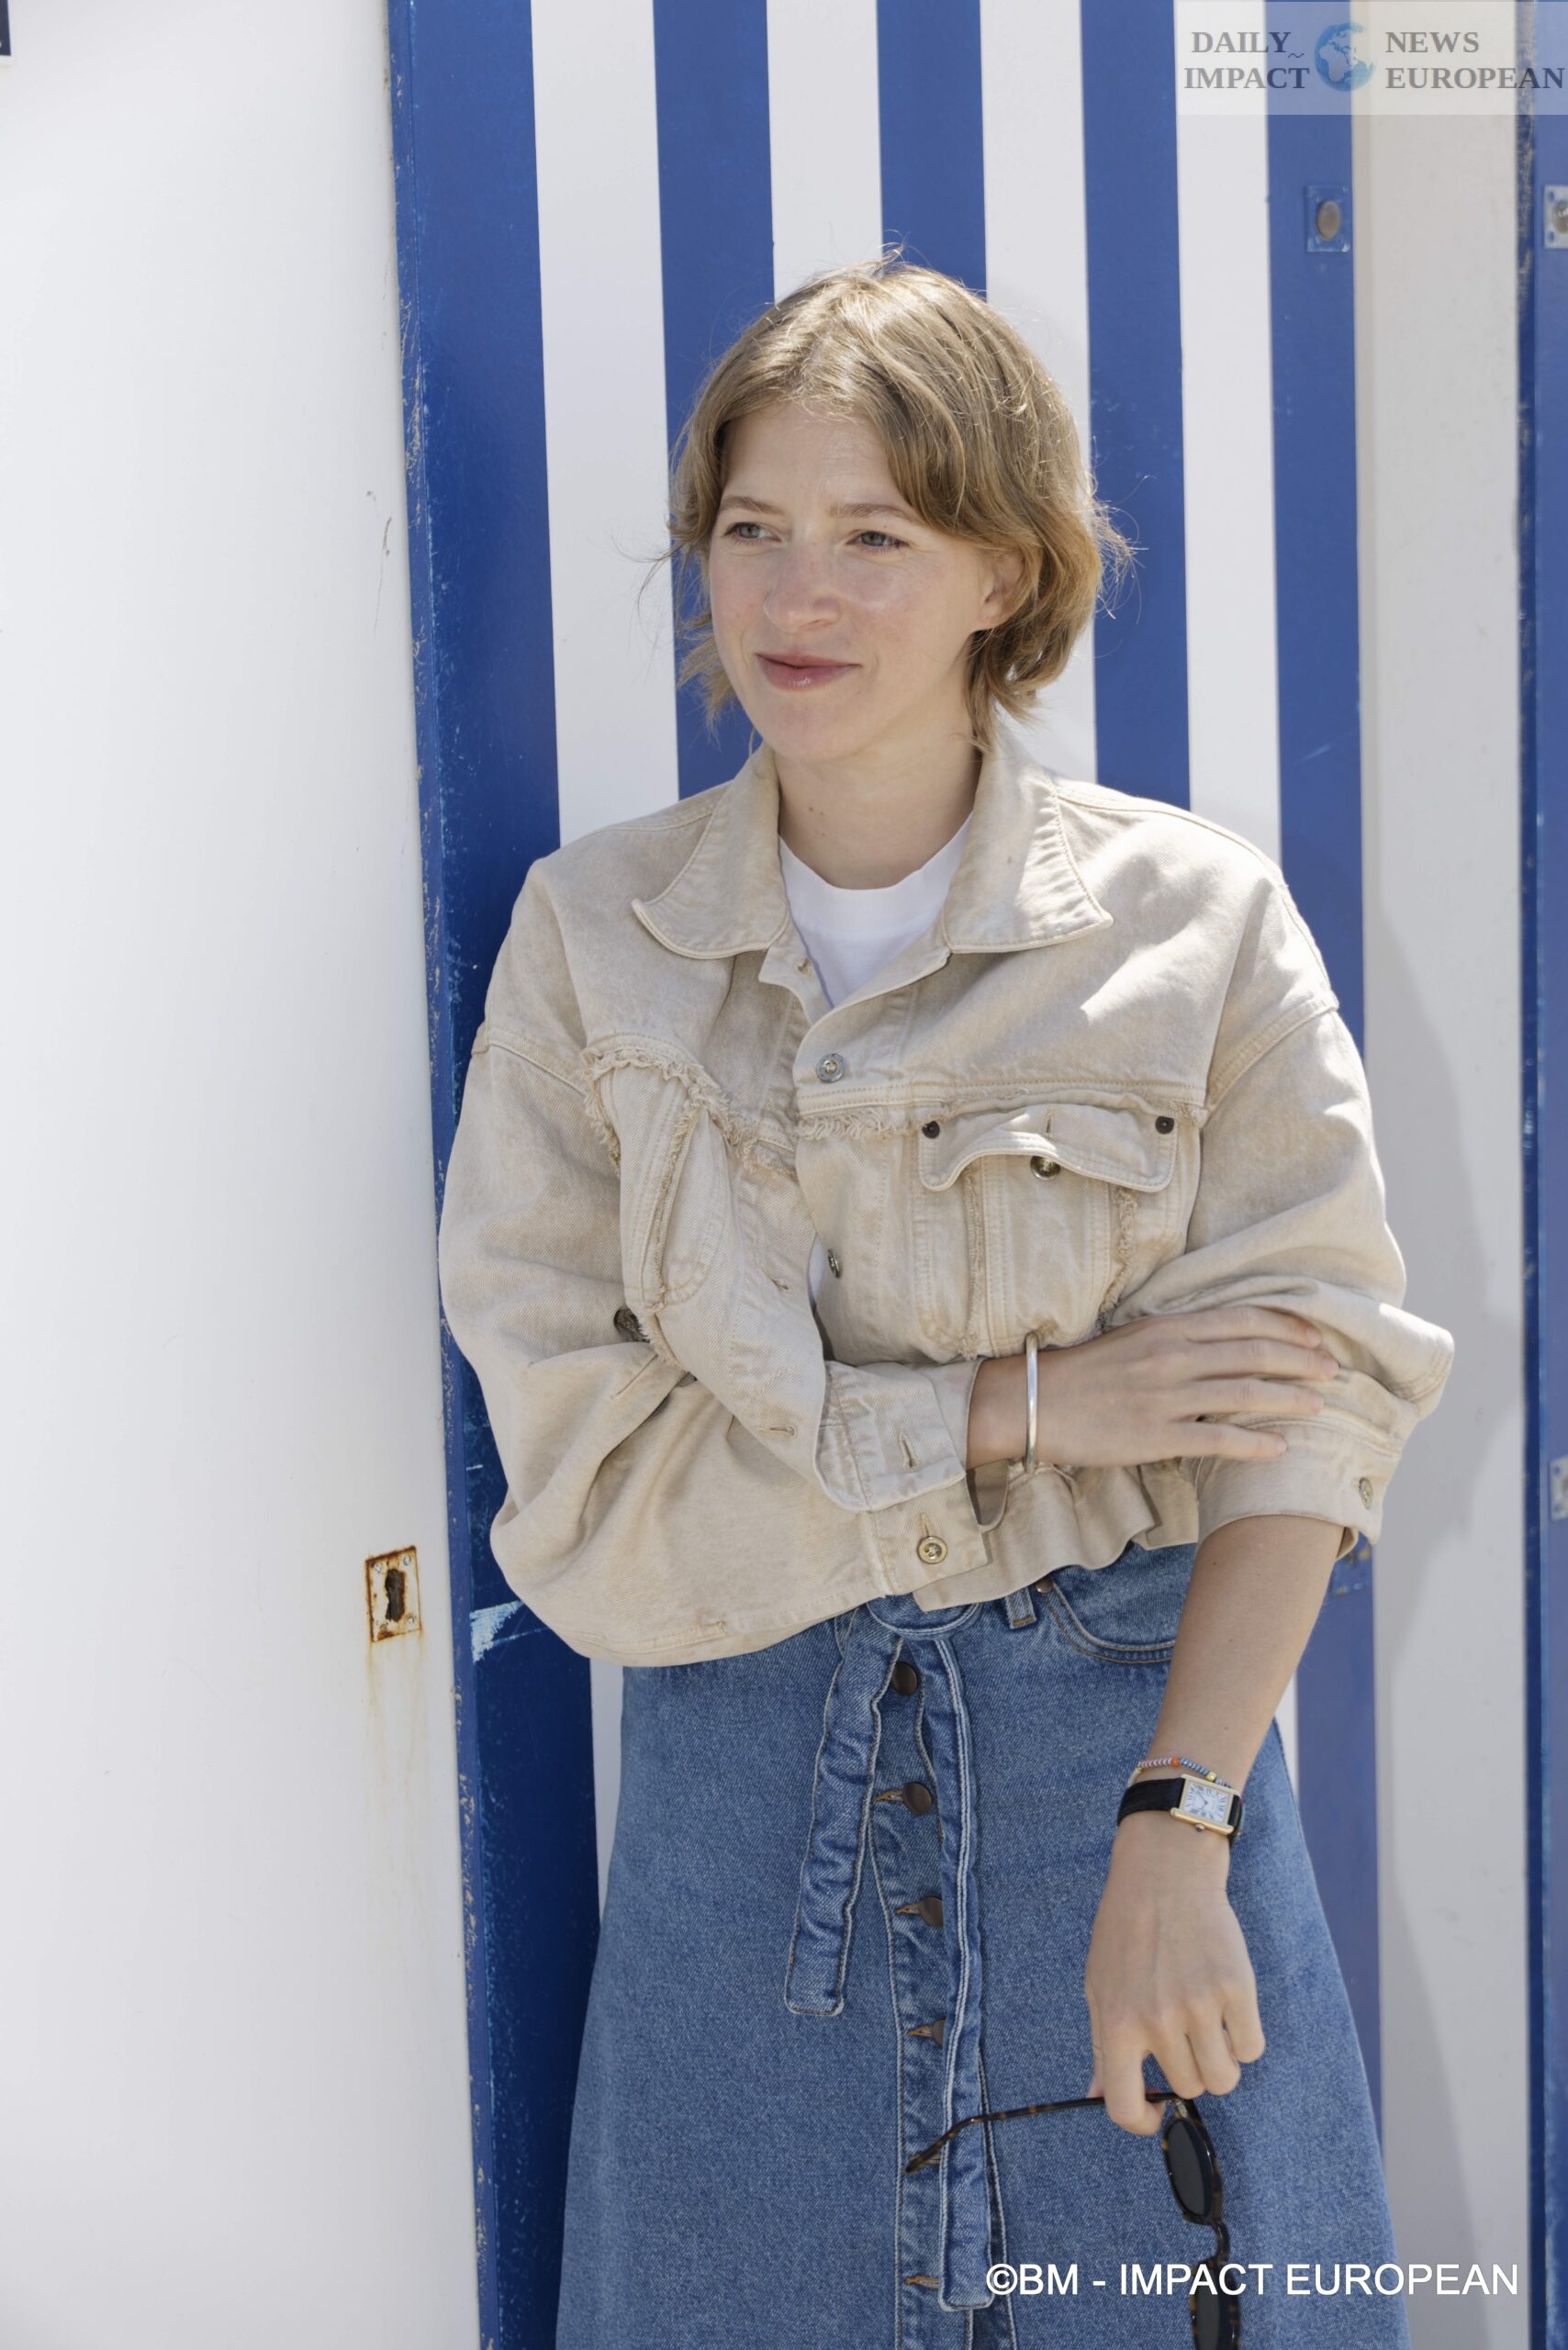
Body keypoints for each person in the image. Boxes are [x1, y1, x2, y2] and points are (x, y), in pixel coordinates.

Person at [436, 256, 1455, 2347]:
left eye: (875, 535)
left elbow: (1303, 1410)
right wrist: (1022, 1407)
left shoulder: (1189, 928)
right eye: (751, 527)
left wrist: (1181, 1821)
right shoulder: (592, 944)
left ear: (1007, 567)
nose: (794, 593)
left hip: (1130, 1798)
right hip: (748, 1842)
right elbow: (591, 1507)